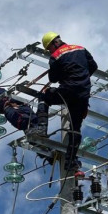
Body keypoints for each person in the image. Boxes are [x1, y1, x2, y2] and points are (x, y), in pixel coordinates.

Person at [38, 32, 98, 171]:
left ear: (54, 44)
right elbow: (93, 66)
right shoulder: (80, 48)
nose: (49, 52)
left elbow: (52, 79)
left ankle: (41, 128)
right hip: (83, 94)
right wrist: (81, 76)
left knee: (44, 97)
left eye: (49, 49)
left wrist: (66, 75)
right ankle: (71, 162)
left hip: (68, 91)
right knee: (75, 129)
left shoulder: (55, 55)